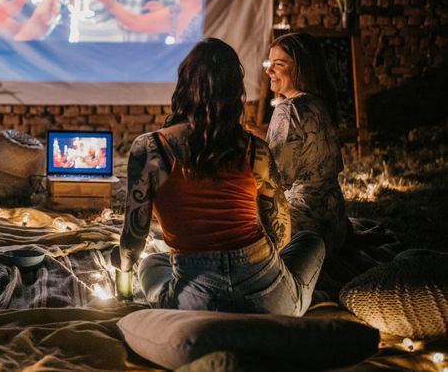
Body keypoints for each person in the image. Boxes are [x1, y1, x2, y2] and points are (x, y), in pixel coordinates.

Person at [117, 38, 325, 316]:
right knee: (311, 242)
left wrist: (125, 273)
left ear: (184, 86)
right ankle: (290, 296)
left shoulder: (150, 148)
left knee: (150, 263)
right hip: (268, 298)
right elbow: (280, 235)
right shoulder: (255, 150)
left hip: (194, 301)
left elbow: (133, 240)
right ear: (235, 92)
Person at [245, 32, 346, 256]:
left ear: (301, 68)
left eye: (278, 64)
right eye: (269, 63)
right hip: (335, 221)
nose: (268, 70)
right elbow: (304, 145)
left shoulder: (288, 110)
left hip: (306, 226)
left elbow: (277, 180)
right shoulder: (315, 102)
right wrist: (265, 134)